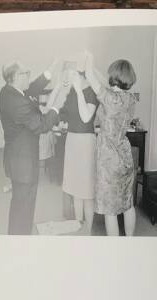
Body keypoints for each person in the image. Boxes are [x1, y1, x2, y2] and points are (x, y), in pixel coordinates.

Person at [0, 60, 66, 234]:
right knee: (23, 205)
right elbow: (42, 125)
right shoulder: (16, 101)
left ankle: (21, 235)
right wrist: (57, 106)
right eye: (26, 73)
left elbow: (35, 87)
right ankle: (18, 239)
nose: (29, 76)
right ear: (15, 77)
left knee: (23, 205)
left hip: (21, 159)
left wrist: (52, 67)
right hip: (23, 163)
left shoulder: (10, 91)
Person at [83, 51, 138, 236]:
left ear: (114, 76)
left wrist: (89, 57)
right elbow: (104, 83)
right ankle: (129, 240)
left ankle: (113, 248)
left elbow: (90, 76)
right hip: (125, 154)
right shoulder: (130, 98)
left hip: (109, 158)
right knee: (127, 203)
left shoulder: (109, 98)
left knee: (110, 210)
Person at [60, 68, 99, 234]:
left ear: (81, 75)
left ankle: (88, 231)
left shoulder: (91, 92)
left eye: (71, 74)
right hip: (72, 140)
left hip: (85, 142)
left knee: (86, 191)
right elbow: (64, 114)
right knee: (75, 189)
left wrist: (78, 91)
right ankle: (78, 226)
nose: (69, 78)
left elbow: (86, 117)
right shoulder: (71, 92)